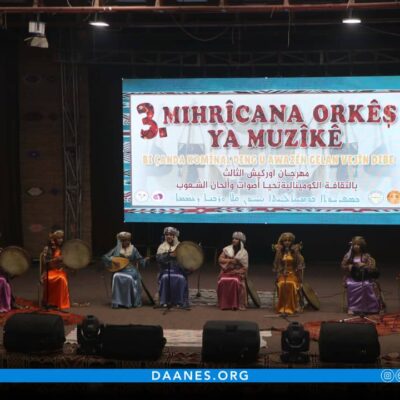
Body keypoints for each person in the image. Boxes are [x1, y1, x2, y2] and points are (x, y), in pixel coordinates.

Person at [102, 231, 147, 308]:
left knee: (129, 278)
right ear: (120, 241)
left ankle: (130, 301)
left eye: (128, 240)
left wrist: (144, 261)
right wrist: (112, 260)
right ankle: (118, 301)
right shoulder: (117, 249)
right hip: (119, 270)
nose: (127, 242)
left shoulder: (133, 249)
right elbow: (105, 257)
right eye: (124, 241)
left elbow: (140, 259)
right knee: (116, 276)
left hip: (131, 270)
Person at [341, 236, 384, 315]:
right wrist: (349, 266)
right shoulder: (348, 256)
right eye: (355, 244)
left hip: (364, 277)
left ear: (362, 246)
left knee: (367, 285)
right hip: (352, 277)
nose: (356, 246)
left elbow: (372, 267)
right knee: (352, 285)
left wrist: (364, 265)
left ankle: (370, 308)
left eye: (358, 245)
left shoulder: (366, 256)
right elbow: (343, 266)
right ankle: (353, 308)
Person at [156, 227, 189, 308]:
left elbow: (185, 261)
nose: (168, 236)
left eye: (171, 234)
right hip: (165, 270)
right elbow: (159, 260)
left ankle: (179, 301)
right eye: (167, 234)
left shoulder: (180, 246)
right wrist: (169, 255)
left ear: (175, 236)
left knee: (181, 278)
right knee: (165, 278)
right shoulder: (162, 247)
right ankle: (164, 301)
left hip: (178, 270)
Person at [273, 232, 305, 315]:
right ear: (282, 242)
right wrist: (281, 271)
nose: (287, 242)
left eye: (289, 240)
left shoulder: (295, 251)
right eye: (285, 240)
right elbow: (277, 265)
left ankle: (293, 306)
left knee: (291, 284)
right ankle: (282, 306)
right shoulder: (280, 252)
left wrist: (297, 272)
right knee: (282, 284)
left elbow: (300, 264)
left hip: (293, 274)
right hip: (283, 274)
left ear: (292, 242)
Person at [217, 232, 249, 310]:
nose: (234, 240)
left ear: (240, 241)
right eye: (233, 238)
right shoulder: (227, 249)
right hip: (226, 272)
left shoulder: (244, 253)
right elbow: (220, 259)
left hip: (238, 273)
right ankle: (224, 304)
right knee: (222, 281)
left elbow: (245, 267)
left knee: (235, 281)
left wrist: (236, 271)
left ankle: (236, 304)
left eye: (236, 239)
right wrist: (230, 260)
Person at [41, 230, 70, 310]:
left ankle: (60, 302)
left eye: (61, 238)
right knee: (51, 278)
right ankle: (50, 302)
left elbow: (66, 261)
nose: (61, 240)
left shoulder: (63, 248)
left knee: (62, 279)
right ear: (54, 239)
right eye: (58, 238)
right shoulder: (48, 248)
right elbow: (45, 262)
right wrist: (56, 259)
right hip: (49, 271)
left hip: (59, 270)